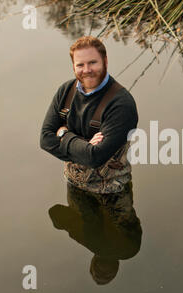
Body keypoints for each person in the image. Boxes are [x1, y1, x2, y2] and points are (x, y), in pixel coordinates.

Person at [40, 36, 138, 194]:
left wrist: (63, 133)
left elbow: (95, 157)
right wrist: (85, 145)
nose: (86, 70)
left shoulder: (121, 104)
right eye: (80, 64)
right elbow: (45, 140)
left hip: (112, 192)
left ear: (105, 62)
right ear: (73, 67)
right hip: (73, 184)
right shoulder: (65, 91)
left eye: (92, 62)